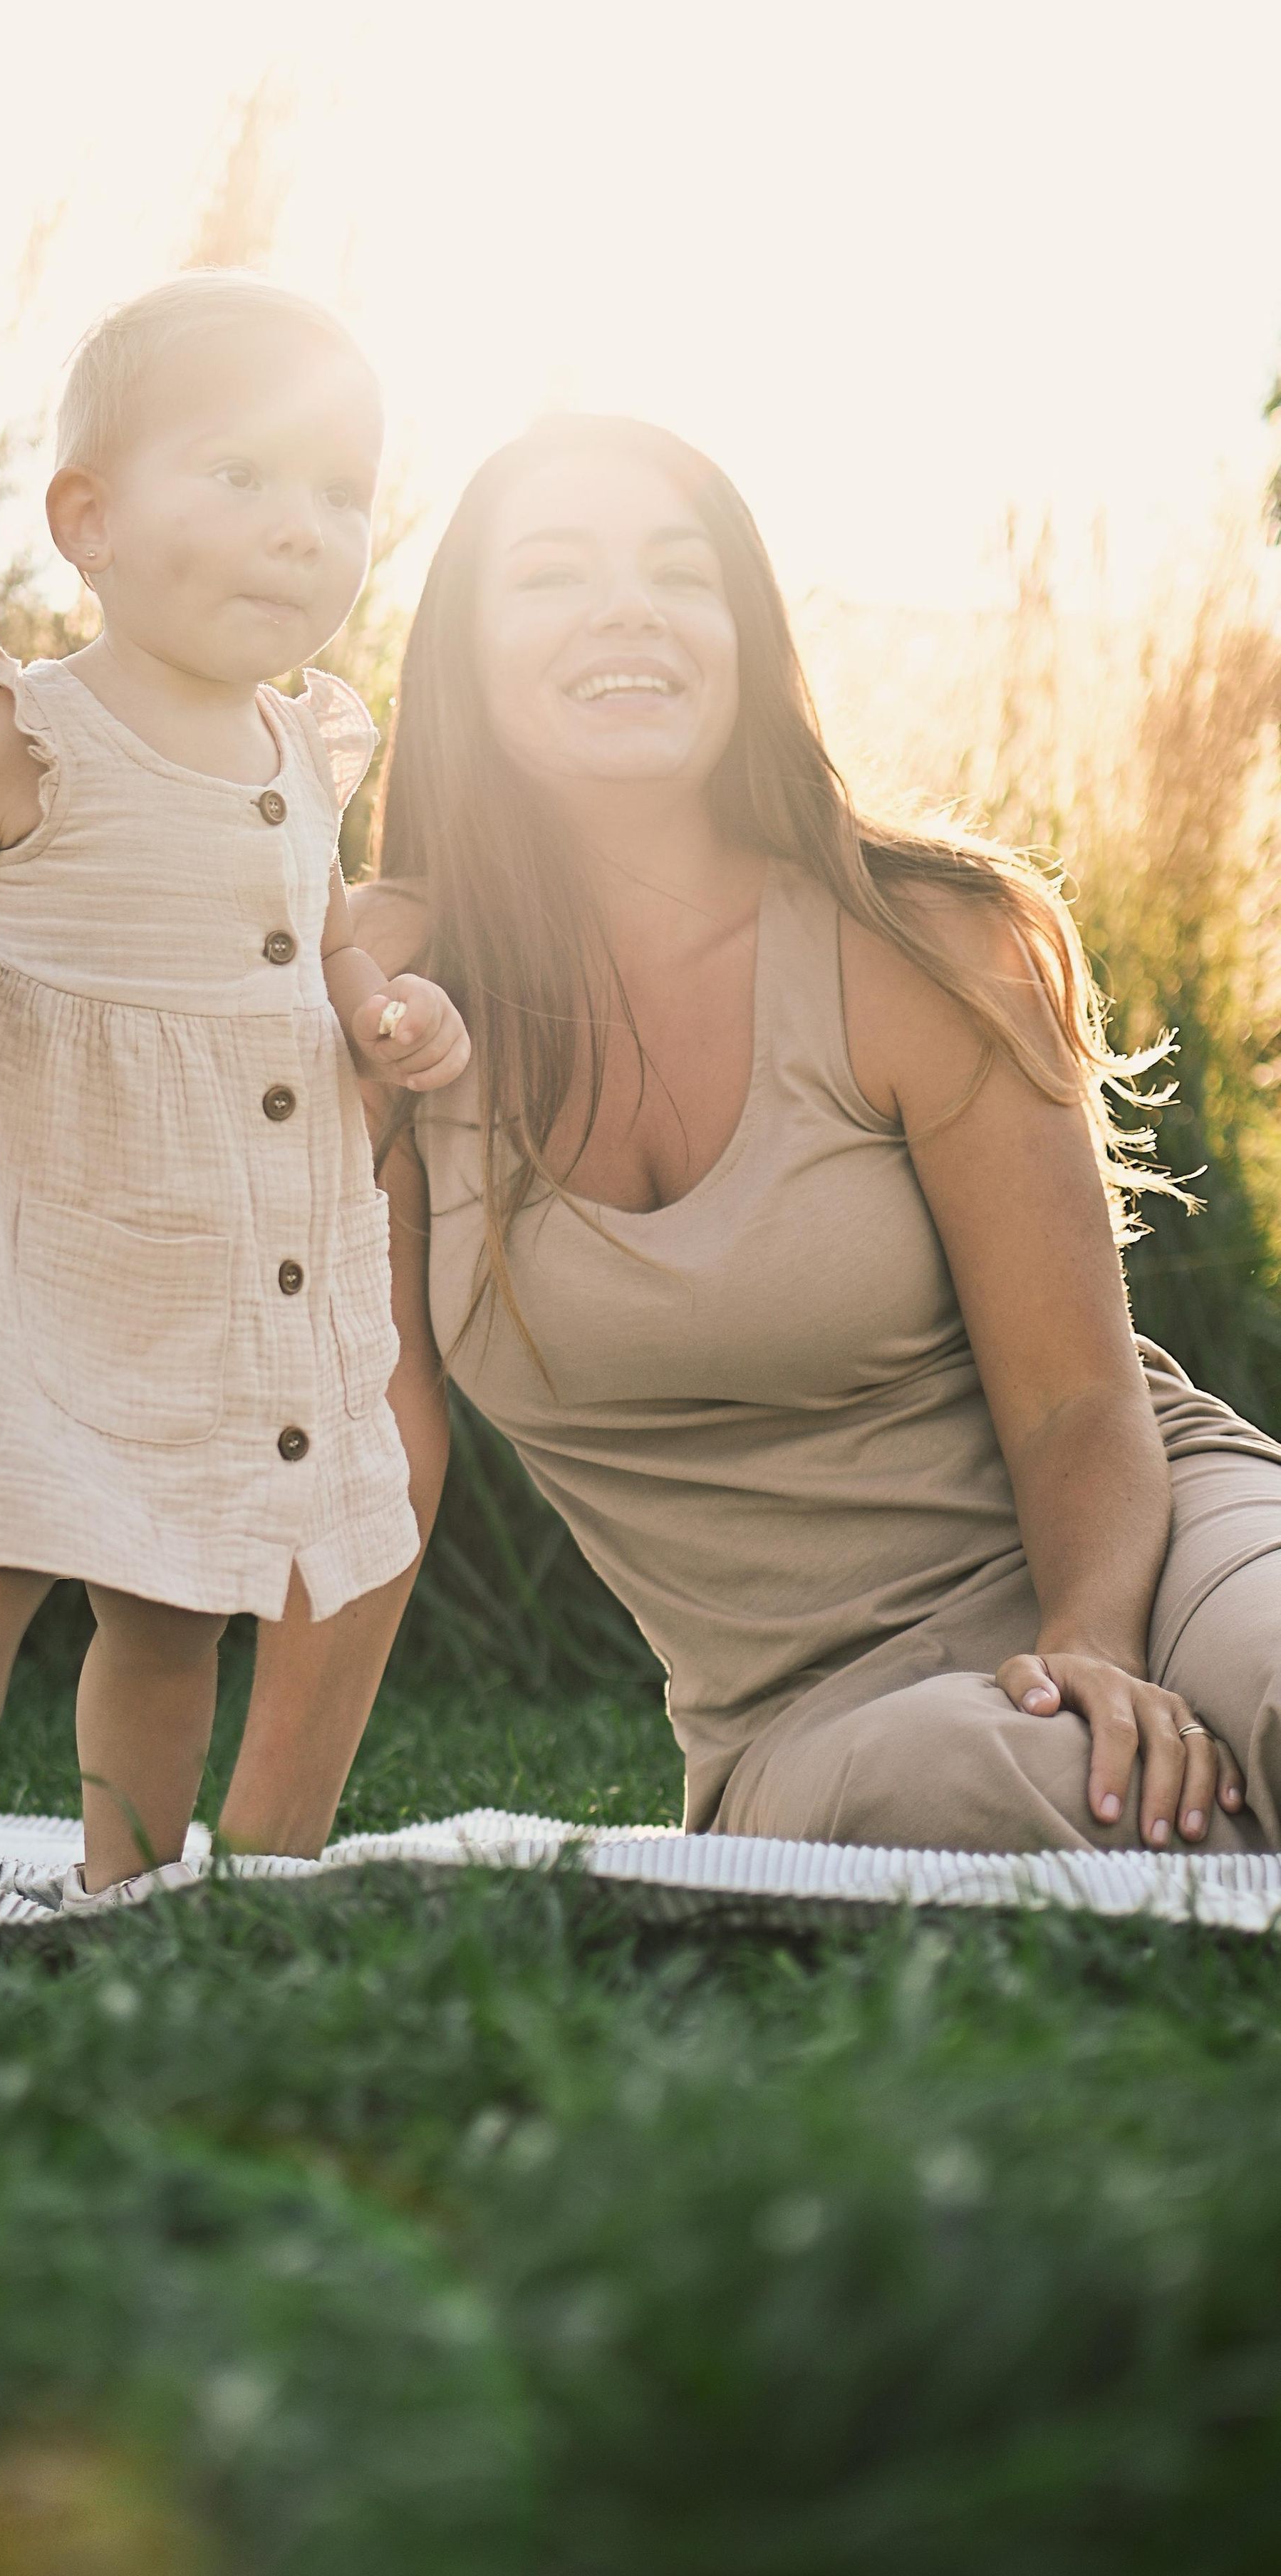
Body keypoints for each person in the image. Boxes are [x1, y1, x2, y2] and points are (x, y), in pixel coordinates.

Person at [227, 411, 1281, 1861]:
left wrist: (1088, 1650)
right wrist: (253, 1864)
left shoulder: (911, 937)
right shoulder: (391, 996)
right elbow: (372, 1464)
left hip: (1155, 1555)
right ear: (461, 652)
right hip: (825, 1714)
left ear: (741, 635)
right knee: (981, 1788)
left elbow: (1071, 1401)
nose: (625, 606)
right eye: (549, 575)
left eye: (680, 570)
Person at [0, 274, 469, 1941]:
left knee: (180, 1597)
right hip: (37, 1217)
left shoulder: (309, 744)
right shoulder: (28, 736)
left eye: (336, 494)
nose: (295, 528)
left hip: (224, 1240)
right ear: (87, 521)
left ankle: (132, 1890)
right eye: (239, 477)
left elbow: (316, 934)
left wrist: (382, 1013)